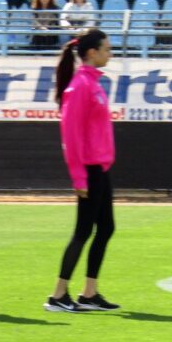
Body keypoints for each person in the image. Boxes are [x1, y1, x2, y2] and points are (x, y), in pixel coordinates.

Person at [47, 28, 119, 314]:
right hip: (89, 169)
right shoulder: (79, 87)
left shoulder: (93, 83)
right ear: (92, 52)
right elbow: (71, 135)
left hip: (99, 167)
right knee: (83, 231)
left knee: (106, 228)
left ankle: (89, 293)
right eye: (107, 49)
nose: (110, 53)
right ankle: (58, 295)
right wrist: (78, 177)